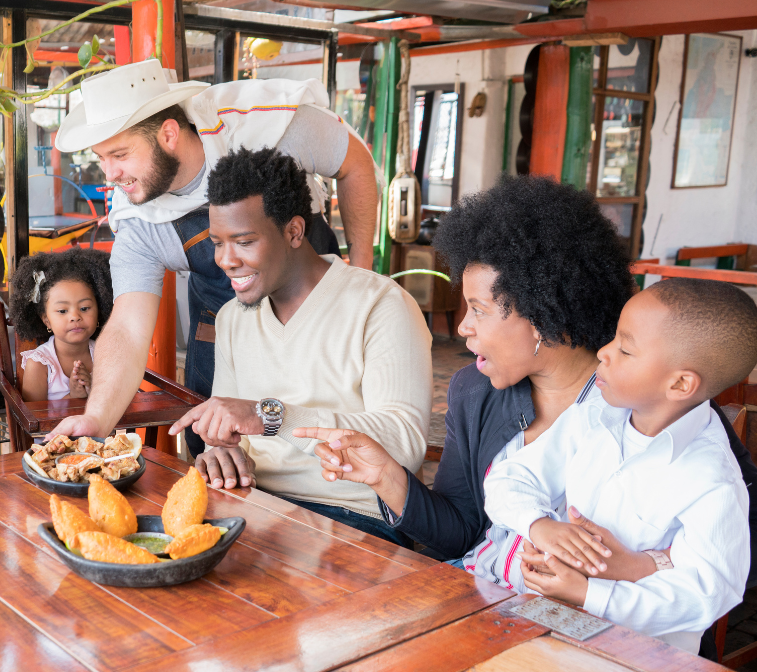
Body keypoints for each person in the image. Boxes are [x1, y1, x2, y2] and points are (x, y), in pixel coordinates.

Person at [294, 176, 757, 574]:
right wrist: (385, 477)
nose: (463, 328)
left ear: (540, 315)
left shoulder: (655, 399)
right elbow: (459, 536)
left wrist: (639, 566)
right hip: (494, 602)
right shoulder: (474, 393)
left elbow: (739, 541)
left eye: (479, 309)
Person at [47, 58, 380, 456]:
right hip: (219, 311)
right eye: (101, 158)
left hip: (308, 289)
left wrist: (362, 274)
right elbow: (128, 327)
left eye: (119, 154)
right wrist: (97, 418)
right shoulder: (136, 219)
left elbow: (355, 162)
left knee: (322, 426)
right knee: (211, 437)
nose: (110, 174)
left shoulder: (266, 125)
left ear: (169, 133)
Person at [166, 147, 431, 547]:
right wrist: (221, 454)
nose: (225, 260)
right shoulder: (233, 318)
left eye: (243, 242)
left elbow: (404, 443)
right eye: (218, 243)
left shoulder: (381, 305)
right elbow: (231, 432)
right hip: (255, 506)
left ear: (293, 232)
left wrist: (272, 417)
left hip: (355, 521)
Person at [483, 278, 757, 653]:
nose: (603, 353)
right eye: (613, 338)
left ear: (679, 384)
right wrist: (541, 526)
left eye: (625, 350)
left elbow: (706, 592)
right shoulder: (596, 412)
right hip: (550, 624)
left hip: (636, 651)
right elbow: (510, 478)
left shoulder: (711, 478)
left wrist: (590, 593)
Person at [9, 248, 113, 401]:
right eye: (63, 311)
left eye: (84, 308)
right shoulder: (40, 364)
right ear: (46, 320)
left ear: (100, 310)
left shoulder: (105, 355)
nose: (75, 317)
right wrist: (73, 397)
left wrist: (95, 391)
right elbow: (34, 418)